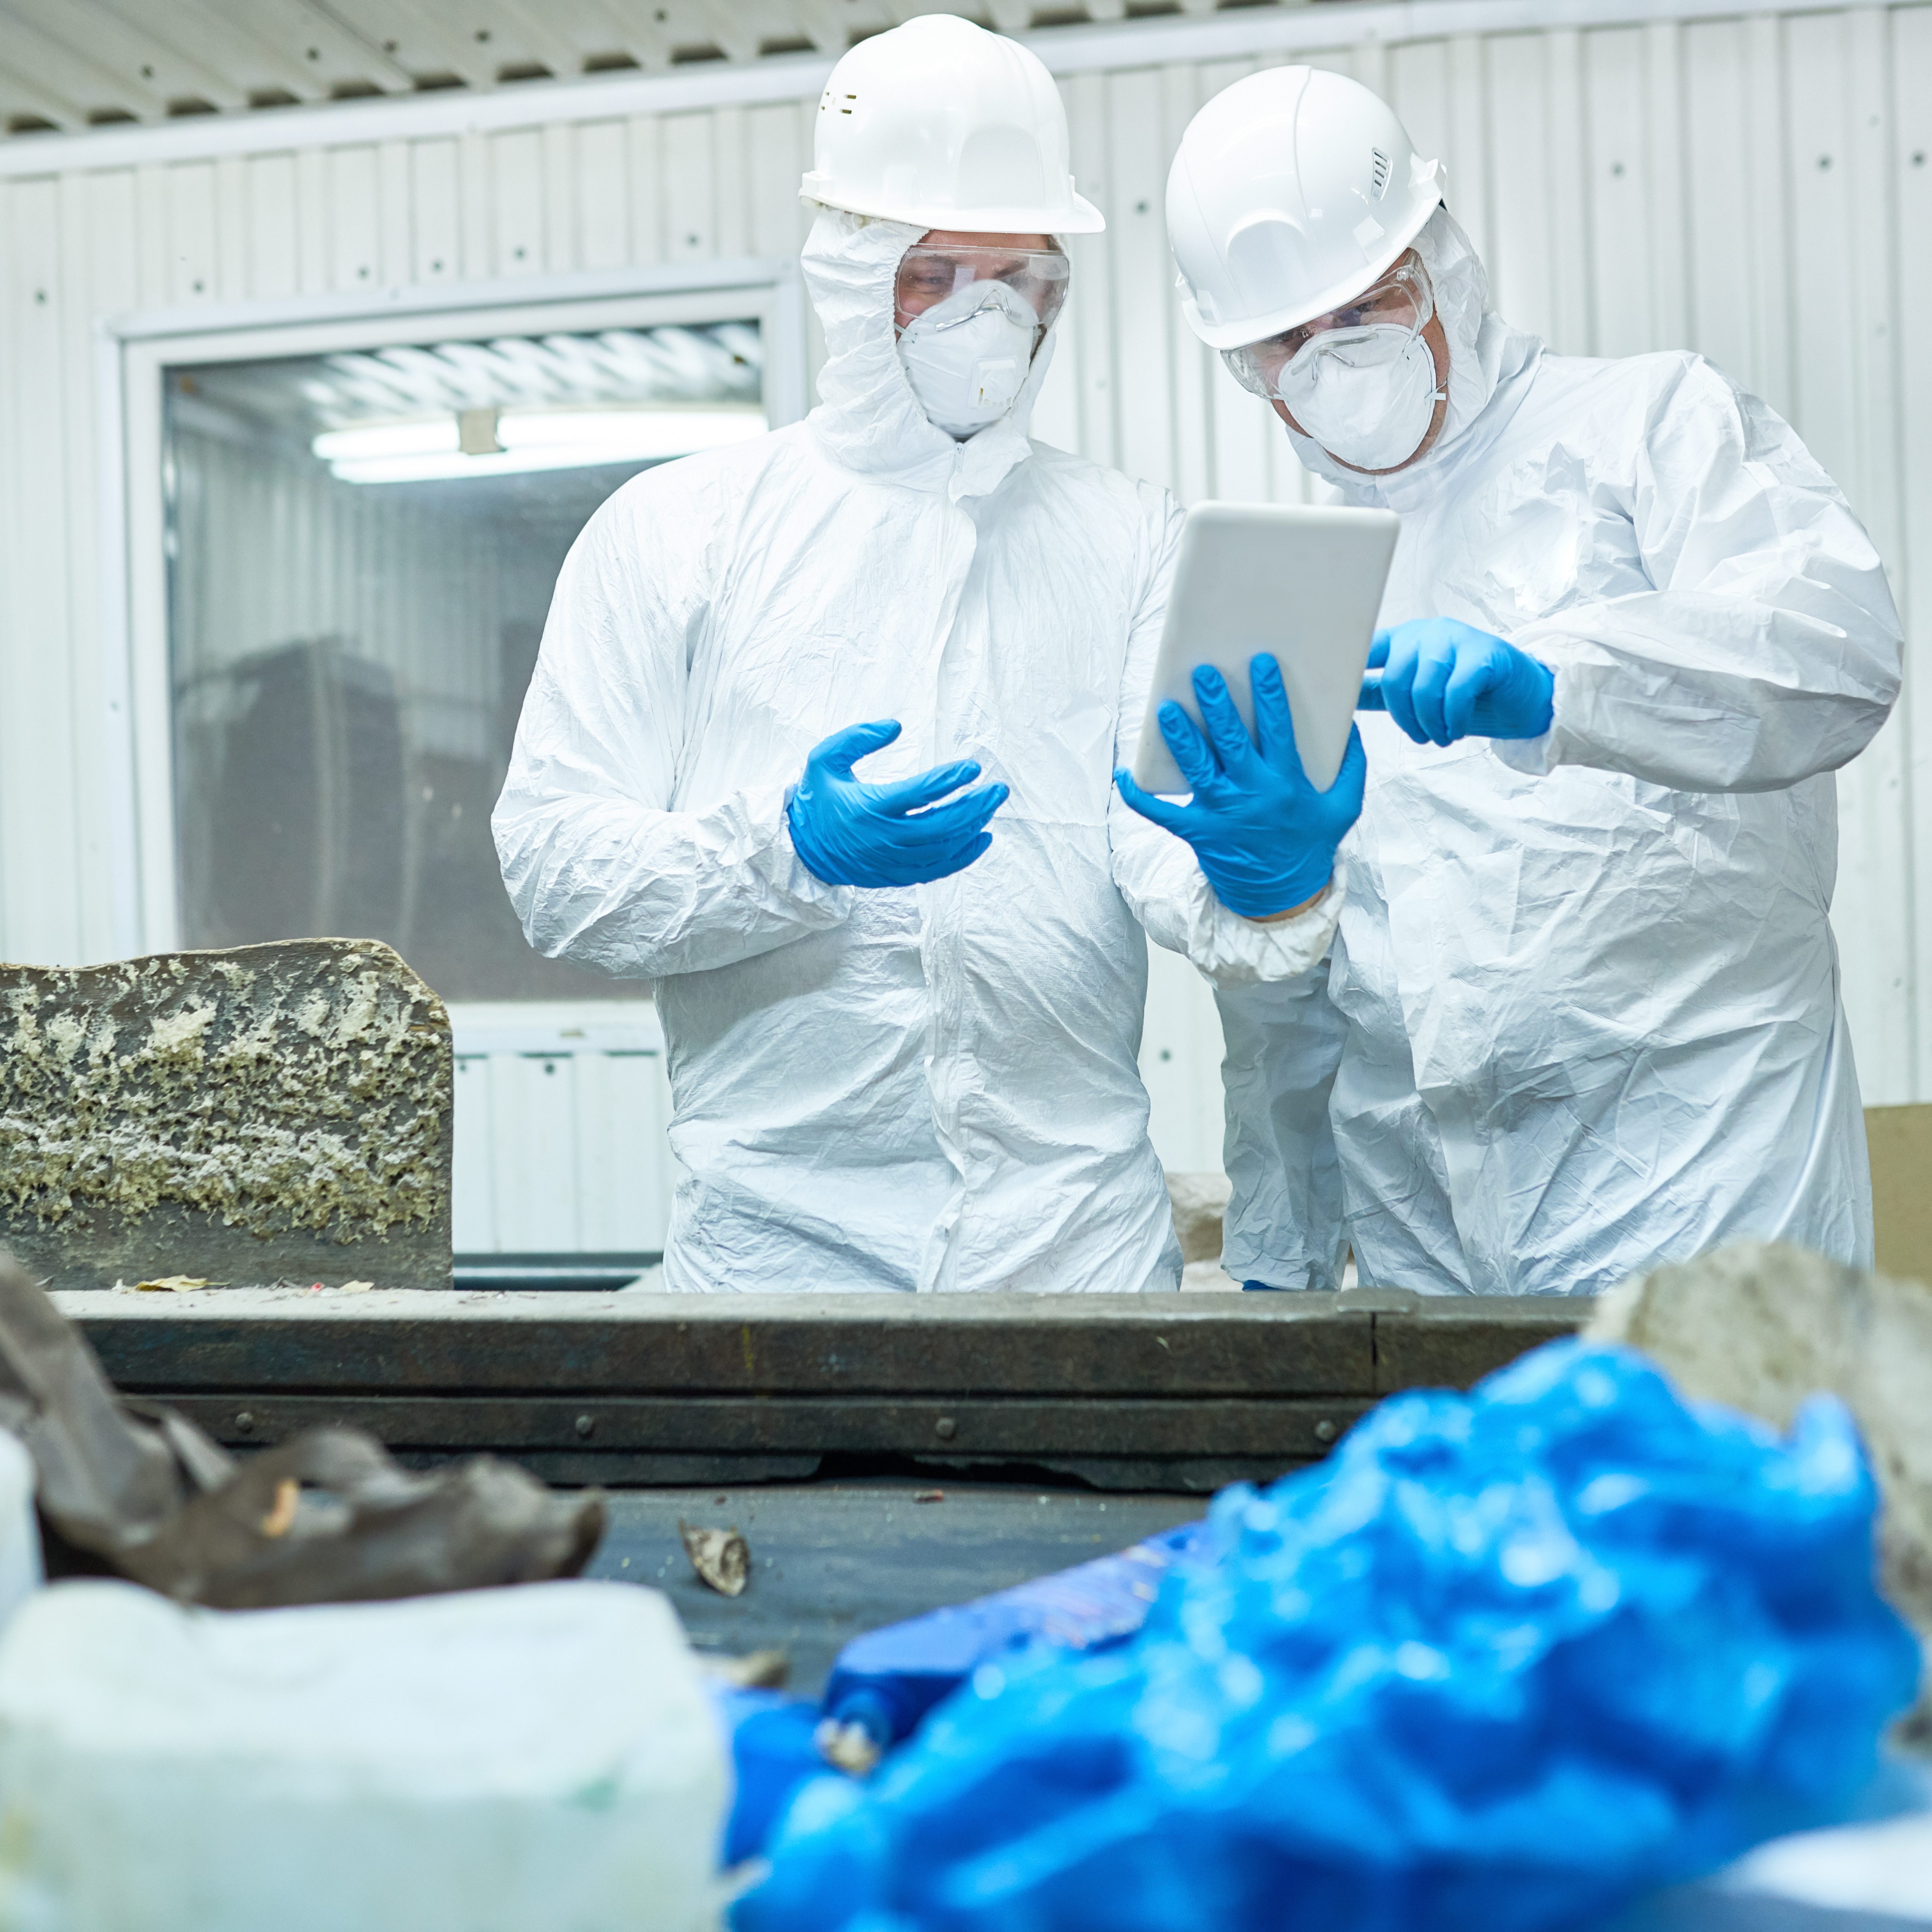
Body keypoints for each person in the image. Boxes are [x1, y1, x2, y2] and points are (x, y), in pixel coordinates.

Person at [493, 15, 1357, 1295]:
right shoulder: (679, 530)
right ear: (849, 269)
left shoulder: (1130, 538)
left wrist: (1267, 877)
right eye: (938, 272)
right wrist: (785, 852)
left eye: (1025, 279)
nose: (986, 319)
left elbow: (1155, 845)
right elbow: (555, 868)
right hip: (774, 1261)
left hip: (1078, 1260)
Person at [1150, 65, 1903, 1296]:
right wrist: (1281, 1258)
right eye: (1287, 339)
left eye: (1368, 305)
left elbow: (1835, 655)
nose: (1332, 359)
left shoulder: (1650, 425)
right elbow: (1301, 1009)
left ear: (1442, 263)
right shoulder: (1297, 587)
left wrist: (1562, 683)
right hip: (1427, 1245)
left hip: (1704, 1204)